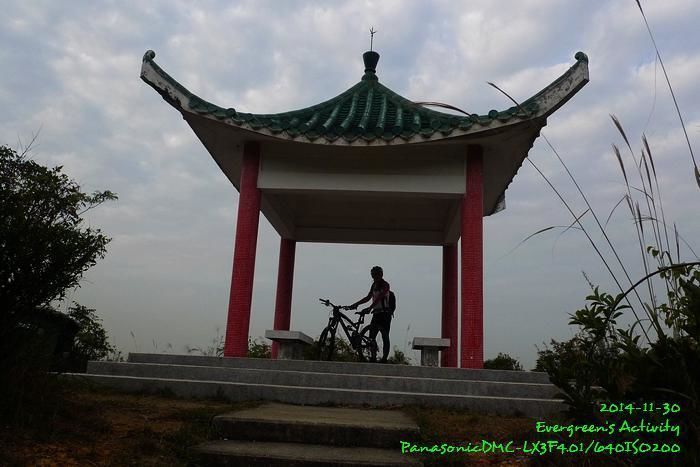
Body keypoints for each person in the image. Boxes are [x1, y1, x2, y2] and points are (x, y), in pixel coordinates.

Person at [345, 266, 392, 363]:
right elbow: (368, 297)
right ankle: (373, 357)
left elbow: (380, 297)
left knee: (385, 336)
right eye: (373, 275)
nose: (374, 277)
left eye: (376, 275)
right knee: (371, 338)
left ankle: (384, 358)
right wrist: (356, 304)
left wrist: (370, 307)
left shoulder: (385, 285)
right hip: (376, 313)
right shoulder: (374, 285)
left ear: (381, 275)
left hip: (385, 314)